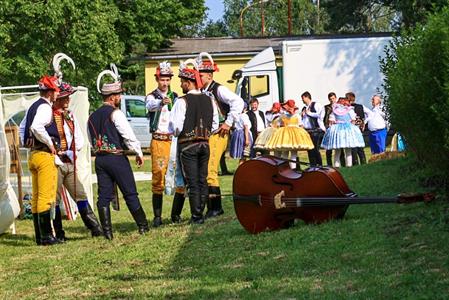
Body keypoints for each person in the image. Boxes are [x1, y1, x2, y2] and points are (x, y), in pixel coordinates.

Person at [88, 65, 149, 240]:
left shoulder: (91, 116)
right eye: (119, 95)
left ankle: (108, 233)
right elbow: (127, 135)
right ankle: (143, 226)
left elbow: (90, 138)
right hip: (116, 158)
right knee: (130, 192)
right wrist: (138, 151)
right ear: (113, 97)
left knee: (104, 196)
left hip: (100, 159)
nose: (120, 98)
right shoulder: (116, 113)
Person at [195, 52, 244, 218]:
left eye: (200, 75)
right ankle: (210, 206)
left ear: (209, 75)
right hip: (208, 134)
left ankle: (216, 207)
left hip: (219, 133)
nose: (198, 78)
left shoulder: (218, 89)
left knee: (211, 170)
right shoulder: (202, 91)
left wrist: (228, 122)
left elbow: (238, 102)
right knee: (206, 170)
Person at [52, 82, 102, 241]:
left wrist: (73, 151)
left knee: (80, 194)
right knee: (54, 199)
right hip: (55, 163)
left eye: (68, 97)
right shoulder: (49, 115)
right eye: (64, 97)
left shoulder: (70, 116)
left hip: (69, 162)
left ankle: (94, 227)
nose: (67, 100)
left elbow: (79, 138)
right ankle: (59, 234)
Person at [170, 59, 218, 224]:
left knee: (192, 181)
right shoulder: (209, 100)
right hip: (205, 144)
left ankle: (196, 216)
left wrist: (183, 132)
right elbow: (215, 124)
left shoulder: (182, 101)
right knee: (202, 179)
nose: (181, 85)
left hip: (188, 145)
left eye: (182, 82)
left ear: (188, 82)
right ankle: (201, 212)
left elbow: (175, 127)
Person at [20, 75, 61, 245]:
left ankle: (39, 236)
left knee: (36, 196)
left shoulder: (32, 107)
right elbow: (36, 126)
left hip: (33, 155)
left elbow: (23, 126)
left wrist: (26, 141)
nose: (57, 94)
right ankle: (46, 237)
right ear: (51, 92)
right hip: (44, 155)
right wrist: (50, 143)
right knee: (46, 195)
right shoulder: (45, 108)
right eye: (56, 91)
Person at [145, 61, 182, 227]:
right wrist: (161, 103)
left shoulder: (176, 97)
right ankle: (157, 216)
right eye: (162, 80)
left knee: (178, 174)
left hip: (173, 140)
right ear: (157, 79)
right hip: (159, 140)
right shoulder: (152, 96)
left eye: (167, 80)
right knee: (159, 175)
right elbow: (150, 105)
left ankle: (176, 214)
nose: (165, 83)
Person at [265, 100, 314, 169]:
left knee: (287, 151)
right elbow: (301, 125)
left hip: (287, 135)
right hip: (291, 134)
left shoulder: (285, 116)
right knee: (292, 152)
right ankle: (290, 169)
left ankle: (286, 168)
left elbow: (279, 125)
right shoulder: (293, 116)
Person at [321, 97, 365, 168]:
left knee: (337, 150)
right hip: (347, 130)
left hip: (337, 130)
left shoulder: (335, 110)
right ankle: (349, 165)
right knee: (348, 149)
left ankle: (337, 166)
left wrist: (336, 122)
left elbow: (331, 121)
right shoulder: (349, 110)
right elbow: (353, 120)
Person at [321, 92, 344, 167]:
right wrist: (325, 127)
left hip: (338, 129)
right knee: (329, 149)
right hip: (329, 129)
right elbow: (323, 118)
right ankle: (329, 165)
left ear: (336, 98)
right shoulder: (326, 107)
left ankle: (343, 164)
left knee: (340, 147)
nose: (332, 100)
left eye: (333, 98)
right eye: (330, 99)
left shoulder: (340, 106)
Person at [301, 91, 324, 166]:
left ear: (307, 97)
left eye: (303, 98)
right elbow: (304, 120)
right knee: (309, 149)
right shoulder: (304, 108)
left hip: (315, 130)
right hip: (307, 131)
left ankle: (319, 165)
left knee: (315, 149)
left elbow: (320, 115)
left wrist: (309, 113)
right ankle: (312, 165)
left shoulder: (316, 104)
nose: (302, 100)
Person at [346, 92, 367, 165]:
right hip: (359, 128)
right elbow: (364, 117)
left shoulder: (347, 108)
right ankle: (363, 162)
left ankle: (355, 163)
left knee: (354, 147)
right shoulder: (360, 106)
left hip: (352, 129)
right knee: (360, 147)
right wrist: (363, 123)